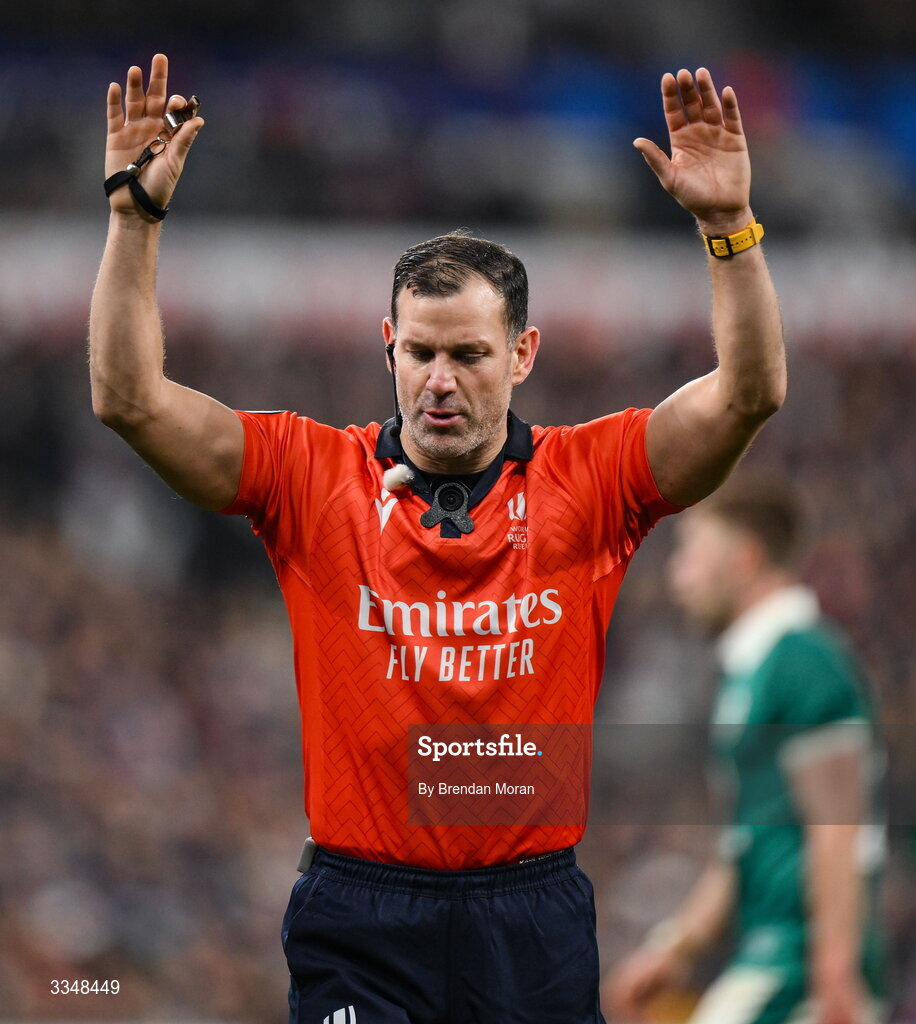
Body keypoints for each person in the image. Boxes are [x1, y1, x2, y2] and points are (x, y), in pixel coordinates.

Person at [89, 54, 785, 1024]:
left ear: (524, 354)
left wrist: (727, 233)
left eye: (468, 353)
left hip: (530, 919)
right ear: (387, 346)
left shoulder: (595, 476)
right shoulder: (306, 473)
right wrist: (132, 222)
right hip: (362, 916)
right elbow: (127, 399)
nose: (440, 379)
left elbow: (748, 395)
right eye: (419, 352)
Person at [604, 475, 887, 1024]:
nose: (677, 575)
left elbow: (840, 828)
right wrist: (674, 949)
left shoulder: (805, 661)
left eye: (691, 553)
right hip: (774, 959)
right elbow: (747, 845)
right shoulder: (756, 669)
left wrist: (834, 969)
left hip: (800, 969)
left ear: (745, 560)